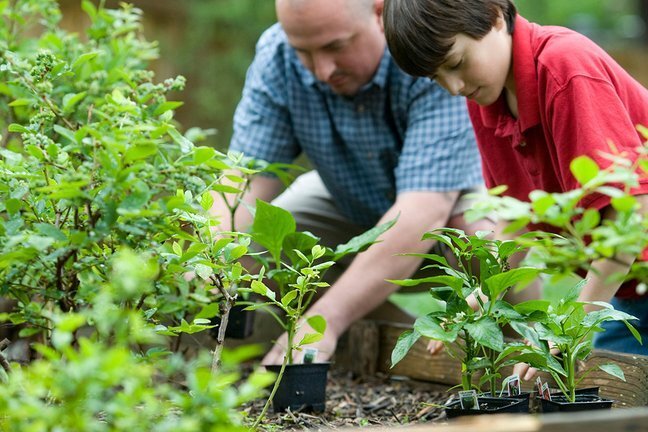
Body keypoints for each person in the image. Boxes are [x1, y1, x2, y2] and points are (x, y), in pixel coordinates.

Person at [212, 0, 492, 365]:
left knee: (488, 246)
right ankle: (384, 339)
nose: (322, 70)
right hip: (347, 199)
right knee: (256, 247)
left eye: (336, 47)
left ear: (379, 12)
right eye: (304, 52)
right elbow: (245, 180)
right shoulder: (277, 56)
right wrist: (209, 257)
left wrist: (323, 322)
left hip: (449, 199)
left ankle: (517, 355)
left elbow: (422, 212)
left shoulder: (425, 47)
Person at [383, 0, 648, 365]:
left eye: (457, 63)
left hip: (628, 274)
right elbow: (517, 218)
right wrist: (478, 298)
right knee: (596, 390)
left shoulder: (563, 67)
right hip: (630, 290)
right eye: (436, 78)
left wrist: (571, 328)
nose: (454, 87)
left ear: (493, 16)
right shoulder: (485, 98)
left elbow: (632, 213)